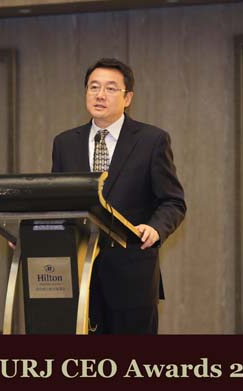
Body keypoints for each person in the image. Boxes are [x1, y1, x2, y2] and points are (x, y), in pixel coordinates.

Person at [51, 58, 186, 334]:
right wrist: (28, 231)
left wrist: (155, 228)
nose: (100, 95)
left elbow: (173, 201)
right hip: (79, 276)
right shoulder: (65, 143)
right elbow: (56, 202)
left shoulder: (152, 140)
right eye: (93, 87)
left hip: (132, 277)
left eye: (111, 88)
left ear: (128, 98)